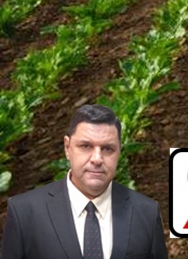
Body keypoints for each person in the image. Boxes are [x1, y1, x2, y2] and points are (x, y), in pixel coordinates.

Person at [1, 104, 168, 259]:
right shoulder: (25, 213)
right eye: (86, 146)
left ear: (119, 151)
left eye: (107, 149)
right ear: (67, 148)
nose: (97, 159)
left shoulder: (146, 212)